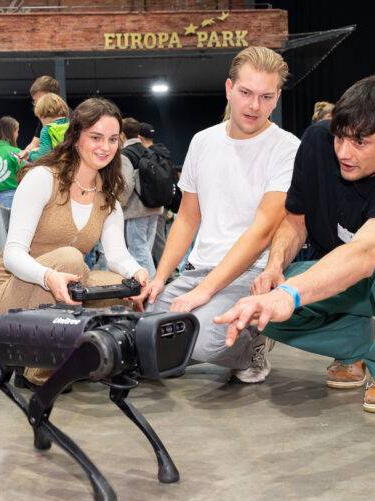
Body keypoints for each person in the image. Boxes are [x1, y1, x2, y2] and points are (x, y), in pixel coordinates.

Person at [215, 74, 375, 414]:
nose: (344, 152)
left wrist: (292, 292)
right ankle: (360, 342)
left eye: (361, 143)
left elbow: (367, 253)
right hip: (343, 276)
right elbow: (294, 220)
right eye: (340, 137)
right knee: (261, 306)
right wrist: (274, 268)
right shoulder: (316, 142)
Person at [137, 46, 300, 383]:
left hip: (248, 272)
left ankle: (254, 340)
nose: (254, 105)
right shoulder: (202, 141)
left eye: (266, 96)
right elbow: (186, 218)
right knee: (142, 332)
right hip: (198, 269)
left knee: (206, 343)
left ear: (276, 98)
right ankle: (193, 340)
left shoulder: (287, 148)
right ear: (229, 89)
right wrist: (160, 277)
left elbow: (262, 231)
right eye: (245, 93)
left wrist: (205, 292)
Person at [0, 97, 148, 385]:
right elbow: (12, 255)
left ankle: (83, 354)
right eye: (95, 137)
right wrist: (47, 277)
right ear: (75, 138)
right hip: (10, 292)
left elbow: (117, 255)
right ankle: (37, 365)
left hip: (64, 286)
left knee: (120, 288)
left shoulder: (108, 199)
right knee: (72, 258)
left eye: (112, 139)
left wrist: (136, 273)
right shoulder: (42, 179)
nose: (105, 147)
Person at [121, 117, 164, 278]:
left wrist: (119, 204)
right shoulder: (149, 150)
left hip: (137, 209)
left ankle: (152, 287)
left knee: (138, 251)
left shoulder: (125, 154)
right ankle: (148, 285)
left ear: (121, 134)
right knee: (145, 249)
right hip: (155, 206)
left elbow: (126, 185)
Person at [0, 116, 28, 267]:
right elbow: (27, 176)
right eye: (17, 131)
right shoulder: (15, 152)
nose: (18, 135)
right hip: (12, 198)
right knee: (12, 241)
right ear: (12, 132)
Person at [138, 122, 177, 271]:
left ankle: (167, 272)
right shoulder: (163, 153)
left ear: (139, 137)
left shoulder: (150, 155)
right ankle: (166, 271)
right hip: (164, 203)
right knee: (157, 239)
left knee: (156, 241)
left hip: (152, 203)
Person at [24, 75, 61, 155]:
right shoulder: (45, 118)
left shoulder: (72, 118)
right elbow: (34, 144)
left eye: (40, 100)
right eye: (35, 101)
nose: (36, 104)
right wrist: (25, 153)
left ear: (52, 96)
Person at [28, 92, 69, 161]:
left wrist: (31, 153)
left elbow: (42, 158)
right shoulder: (71, 125)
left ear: (43, 115)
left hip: (57, 169)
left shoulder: (47, 130)